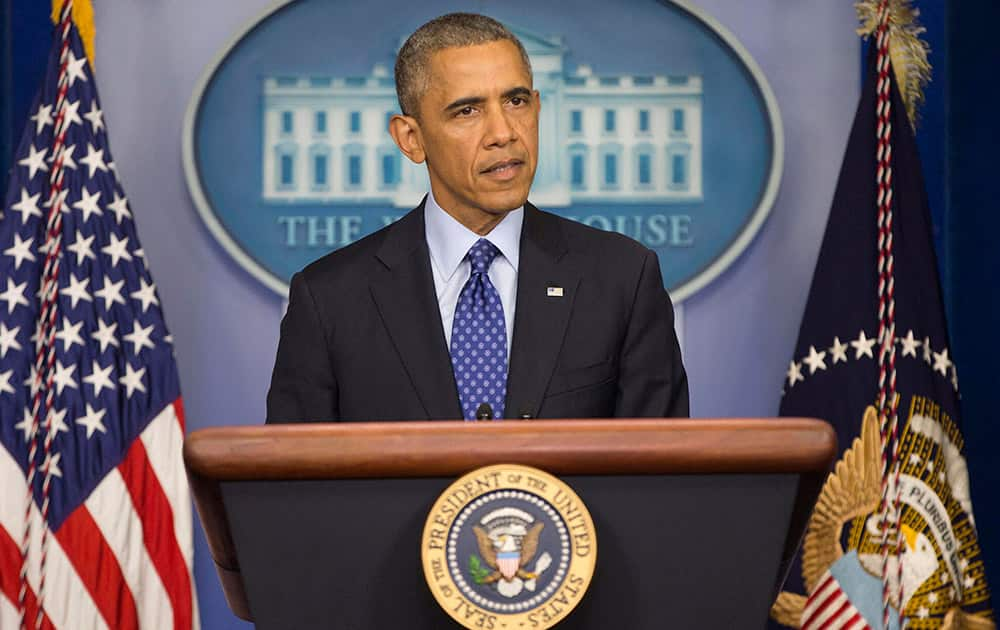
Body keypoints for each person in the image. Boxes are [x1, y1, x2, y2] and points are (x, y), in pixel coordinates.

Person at [266, 13, 688, 423]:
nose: (504, 133)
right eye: (467, 111)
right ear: (411, 139)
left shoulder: (623, 279)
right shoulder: (329, 300)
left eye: (516, 101)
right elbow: (293, 486)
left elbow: (659, 478)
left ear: (538, 108)